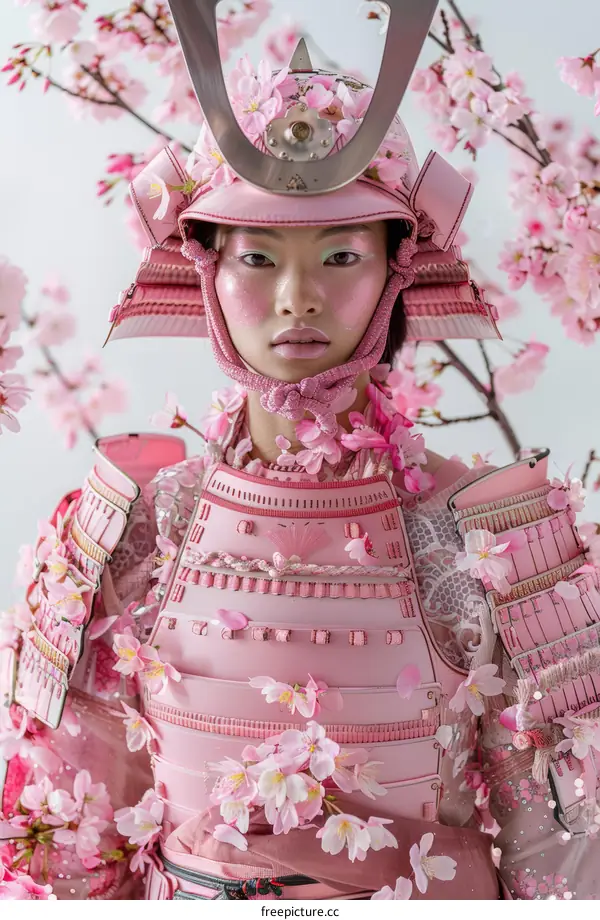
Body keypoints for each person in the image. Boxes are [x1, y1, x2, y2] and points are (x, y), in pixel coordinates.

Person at [1, 3, 598, 902]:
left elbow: (563, 862)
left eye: (341, 254)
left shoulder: (498, 538)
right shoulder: (131, 528)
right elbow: (64, 857)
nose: (297, 298)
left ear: (398, 267)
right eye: (257, 257)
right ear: (205, 267)